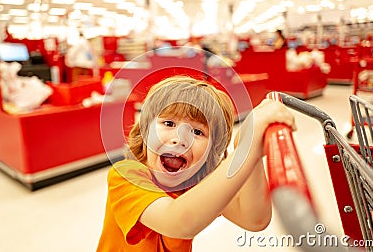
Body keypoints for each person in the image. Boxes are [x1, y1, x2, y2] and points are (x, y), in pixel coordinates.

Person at [96, 76, 296, 251]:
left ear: (211, 151)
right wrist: (245, 151)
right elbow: (178, 221)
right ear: (146, 129)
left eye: (197, 132)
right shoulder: (126, 176)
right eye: (169, 123)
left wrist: (248, 145)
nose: (181, 139)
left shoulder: (196, 181)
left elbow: (255, 219)